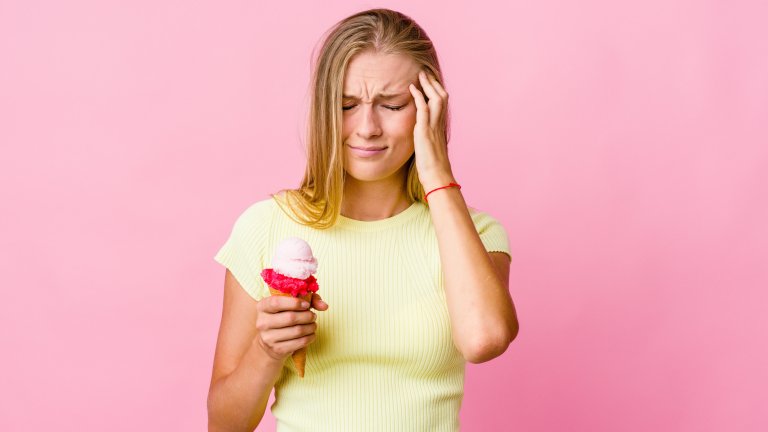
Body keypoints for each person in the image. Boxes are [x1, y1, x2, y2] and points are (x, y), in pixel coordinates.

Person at [207, 8, 518, 432]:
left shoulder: (476, 233)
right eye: (347, 105)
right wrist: (267, 349)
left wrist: (438, 176)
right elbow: (224, 425)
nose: (367, 127)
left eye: (392, 105)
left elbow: (484, 340)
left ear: (429, 108)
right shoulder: (266, 226)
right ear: (322, 111)